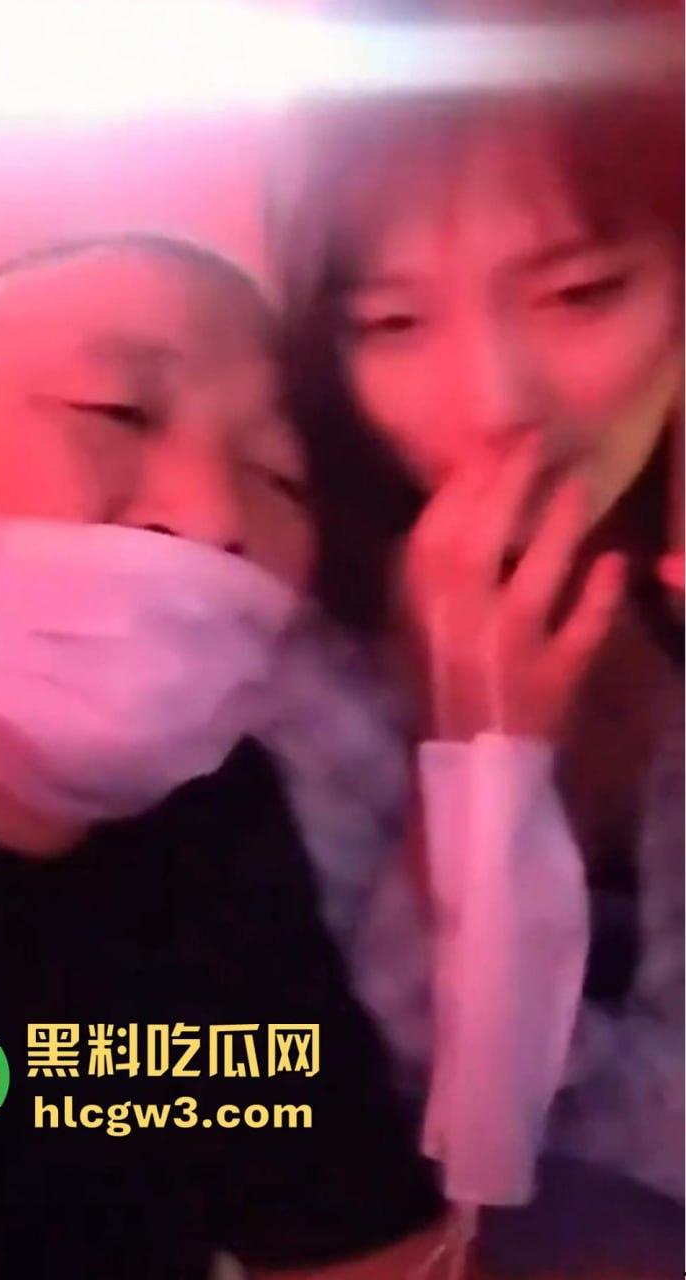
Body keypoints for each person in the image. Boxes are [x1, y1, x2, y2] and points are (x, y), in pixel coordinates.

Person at [0, 234, 447, 1278]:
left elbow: (355, 1245)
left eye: (279, 476)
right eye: (118, 412)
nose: (214, 515)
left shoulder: (226, 823)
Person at [267, 0, 683, 1273]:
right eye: (391, 322)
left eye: (580, 291)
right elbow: (410, 1131)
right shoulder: (280, 672)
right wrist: (478, 766)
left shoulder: (654, 616)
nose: (492, 402)